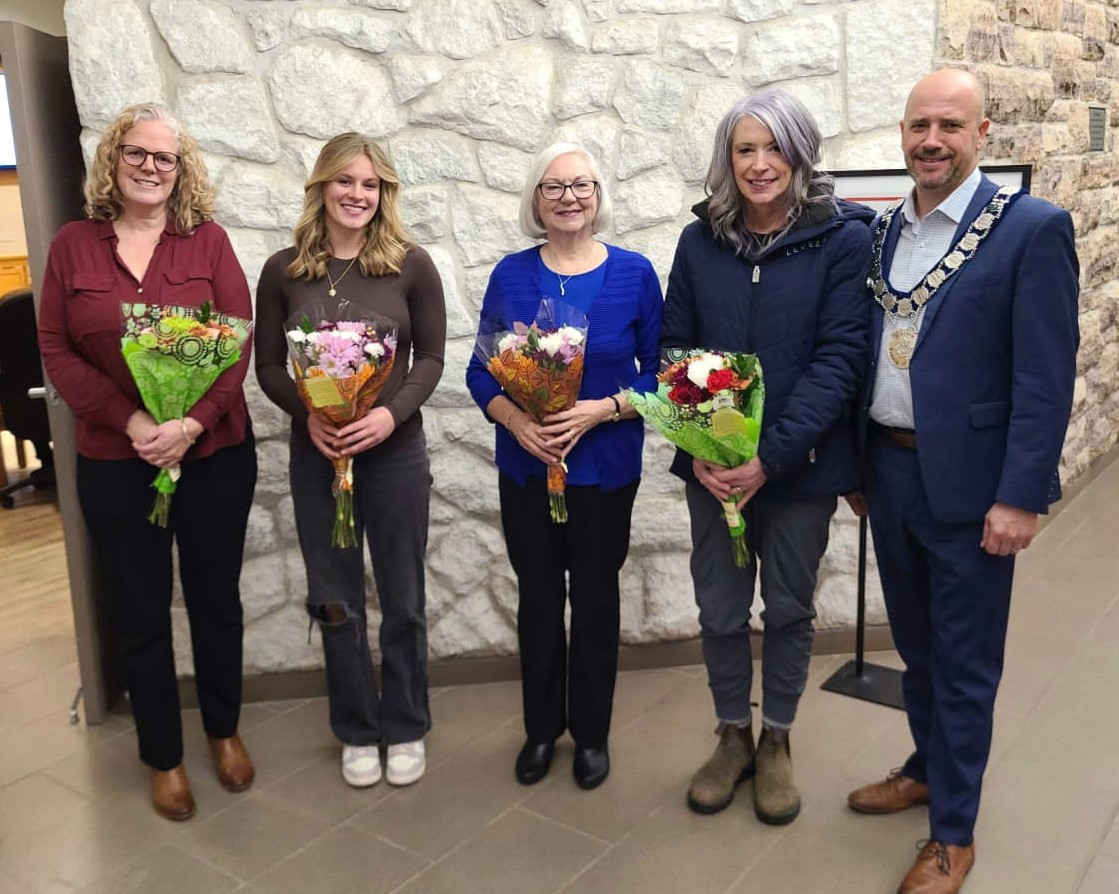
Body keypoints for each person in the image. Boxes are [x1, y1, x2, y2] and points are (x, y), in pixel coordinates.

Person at [845, 69, 1079, 894]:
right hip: (888, 470)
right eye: (917, 125)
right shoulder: (880, 235)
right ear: (901, 134)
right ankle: (924, 765)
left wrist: (1020, 494)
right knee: (916, 651)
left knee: (965, 660)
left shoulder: (1029, 231)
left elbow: (1046, 378)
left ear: (982, 135)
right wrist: (852, 464)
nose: (930, 140)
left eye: (949, 125)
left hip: (977, 489)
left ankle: (952, 834)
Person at [37, 103, 257, 821]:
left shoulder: (209, 244)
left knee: (216, 600)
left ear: (181, 169)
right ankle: (163, 756)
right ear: (114, 158)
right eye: (138, 153)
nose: (151, 167)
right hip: (115, 457)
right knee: (138, 611)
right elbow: (56, 350)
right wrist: (133, 419)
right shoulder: (74, 245)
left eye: (166, 158)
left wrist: (189, 424)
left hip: (213, 454)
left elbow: (237, 344)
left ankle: (222, 731)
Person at [661, 90, 873, 824]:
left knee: (786, 609)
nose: (758, 164)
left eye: (772, 147)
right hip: (711, 470)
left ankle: (776, 739)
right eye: (744, 149)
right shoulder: (699, 241)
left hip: (799, 469)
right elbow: (674, 349)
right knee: (720, 611)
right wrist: (704, 451)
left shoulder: (842, 239)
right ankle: (731, 734)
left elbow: (840, 359)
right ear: (728, 160)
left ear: (799, 152)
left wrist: (768, 459)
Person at [465, 142, 662, 790]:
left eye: (580, 185)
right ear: (535, 201)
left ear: (598, 195)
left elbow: (660, 378)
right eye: (553, 187)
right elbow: (478, 369)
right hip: (527, 469)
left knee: (597, 600)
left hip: (604, 469)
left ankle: (592, 735)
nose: (568, 197)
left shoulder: (634, 274)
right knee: (540, 599)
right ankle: (541, 730)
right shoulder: (510, 275)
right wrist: (519, 422)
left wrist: (599, 410)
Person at [256, 133, 445, 789]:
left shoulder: (411, 265)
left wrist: (389, 415)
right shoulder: (283, 270)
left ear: (383, 193)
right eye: (345, 182)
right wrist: (309, 417)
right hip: (319, 456)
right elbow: (269, 368)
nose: (357, 195)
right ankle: (356, 729)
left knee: (402, 597)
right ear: (321, 188)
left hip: (394, 455)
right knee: (333, 599)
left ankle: (406, 723)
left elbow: (430, 360)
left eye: (370, 185)